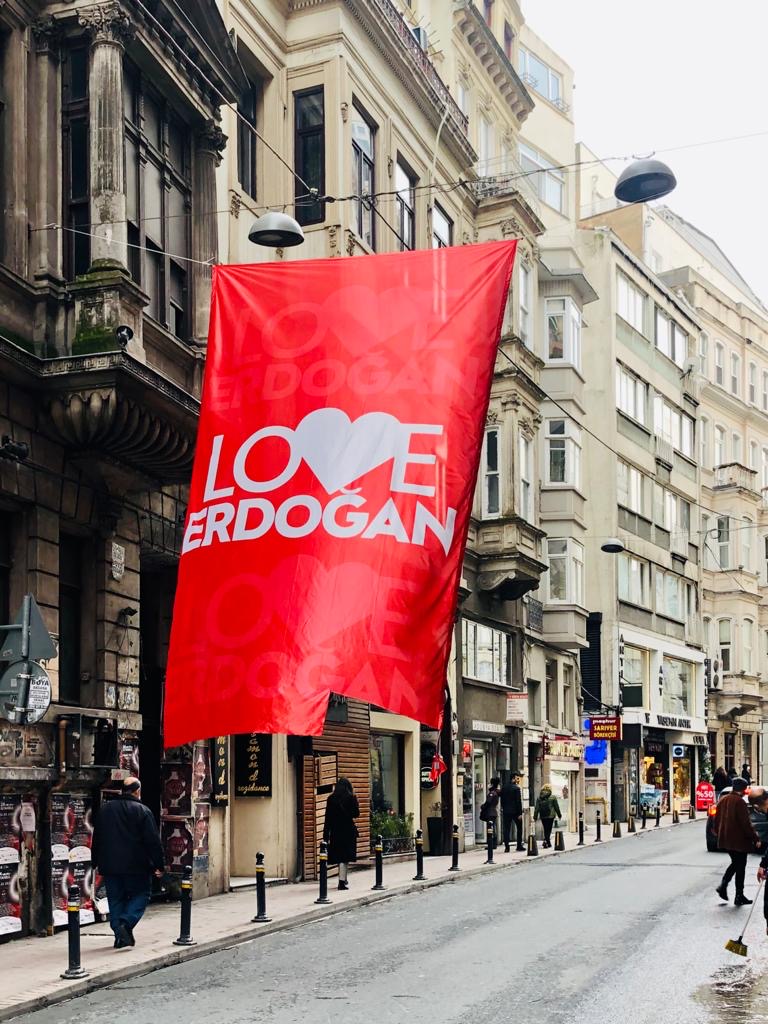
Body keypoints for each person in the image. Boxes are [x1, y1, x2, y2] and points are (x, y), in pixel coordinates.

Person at [91, 777, 165, 949]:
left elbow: (97, 838)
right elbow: (153, 841)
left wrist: (95, 861)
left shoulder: (105, 810)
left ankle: (120, 936)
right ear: (137, 791)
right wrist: (159, 865)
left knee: (116, 899)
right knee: (142, 894)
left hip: (110, 865)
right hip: (137, 865)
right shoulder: (143, 811)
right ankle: (126, 923)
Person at [715, 777, 761, 906]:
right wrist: (755, 838)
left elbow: (716, 821)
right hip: (739, 841)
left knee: (736, 864)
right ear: (743, 789)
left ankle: (726, 888)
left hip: (726, 840)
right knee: (740, 866)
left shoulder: (723, 800)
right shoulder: (739, 802)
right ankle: (736, 894)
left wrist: (718, 833)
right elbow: (746, 824)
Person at [323, 778, 359, 890]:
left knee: (340, 857)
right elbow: (356, 814)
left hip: (336, 832)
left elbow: (327, 818)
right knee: (345, 857)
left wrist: (326, 835)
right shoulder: (351, 798)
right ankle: (342, 882)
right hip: (348, 831)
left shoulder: (331, 799)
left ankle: (343, 878)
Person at [500, 774, 525, 853]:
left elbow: (502, 800)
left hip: (506, 811)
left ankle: (507, 847)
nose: (517, 780)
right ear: (513, 779)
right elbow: (518, 801)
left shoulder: (504, 788)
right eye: (516, 778)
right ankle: (519, 845)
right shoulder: (516, 788)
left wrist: (504, 808)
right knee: (519, 828)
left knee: (506, 829)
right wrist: (520, 813)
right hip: (515, 812)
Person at [534, 784, 562, 849]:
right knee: (548, 829)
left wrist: (535, 817)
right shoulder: (553, 797)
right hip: (550, 816)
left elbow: (537, 808)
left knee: (545, 828)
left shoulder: (539, 797)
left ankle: (547, 841)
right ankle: (547, 841)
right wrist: (559, 815)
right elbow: (556, 807)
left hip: (543, 815)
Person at [480, 778, 501, 847]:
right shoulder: (496, 792)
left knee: (490, 828)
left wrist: (483, 806)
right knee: (493, 828)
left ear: (492, 784)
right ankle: (493, 843)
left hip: (490, 812)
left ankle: (491, 844)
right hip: (494, 812)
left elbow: (488, 802)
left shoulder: (492, 793)